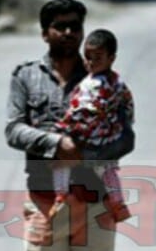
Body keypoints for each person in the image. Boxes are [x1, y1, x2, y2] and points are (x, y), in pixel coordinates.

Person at [5, 0, 134, 251]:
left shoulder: (105, 78)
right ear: (44, 32)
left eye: (75, 26)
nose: (69, 33)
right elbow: (13, 129)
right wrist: (54, 143)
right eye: (59, 26)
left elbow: (127, 135)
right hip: (45, 200)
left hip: (95, 201)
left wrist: (92, 152)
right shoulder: (27, 77)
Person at [51, 28, 134, 223]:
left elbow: (83, 112)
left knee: (60, 161)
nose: (91, 62)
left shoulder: (94, 84)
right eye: (87, 57)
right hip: (109, 136)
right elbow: (128, 105)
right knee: (108, 169)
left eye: (97, 57)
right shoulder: (117, 81)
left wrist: (64, 128)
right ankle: (118, 202)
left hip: (88, 136)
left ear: (111, 58)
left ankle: (61, 196)